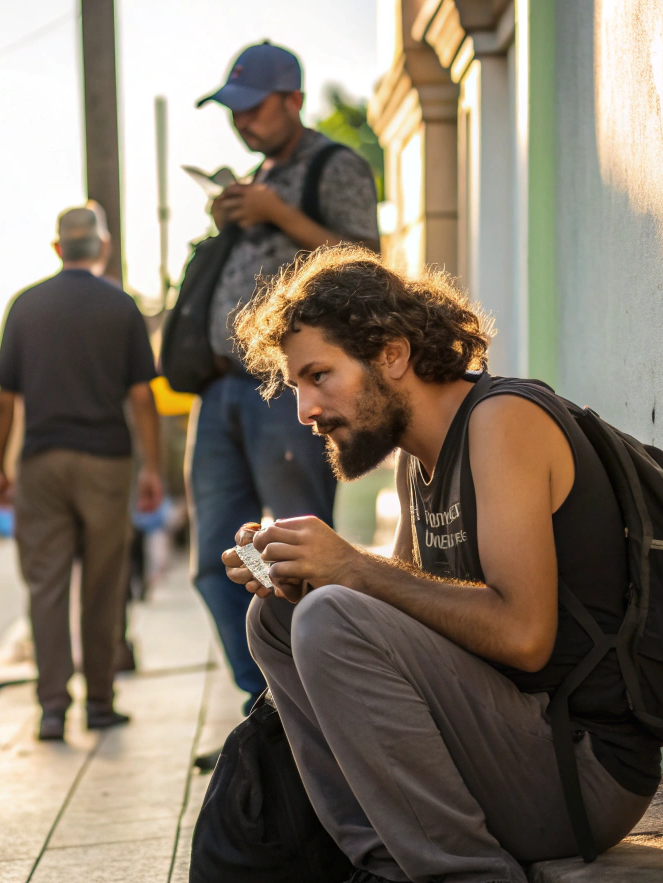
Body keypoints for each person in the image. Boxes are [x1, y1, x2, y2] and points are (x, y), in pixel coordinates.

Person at [223, 247, 658, 883]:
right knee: (279, 615)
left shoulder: (503, 421)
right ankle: (395, 869)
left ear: (391, 355)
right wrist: (306, 575)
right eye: (295, 386)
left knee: (333, 612)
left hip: (582, 774)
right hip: (509, 745)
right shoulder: (414, 456)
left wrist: (352, 570)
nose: (303, 410)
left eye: (317, 376)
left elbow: (522, 635)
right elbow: (407, 610)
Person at [191, 41, 381, 709]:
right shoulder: (252, 179)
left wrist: (278, 215)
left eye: (252, 107)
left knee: (300, 551)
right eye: (231, 110)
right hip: (218, 387)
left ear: (293, 100)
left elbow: (364, 262)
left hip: (284, 386)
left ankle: (312, 701)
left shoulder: (333, 164)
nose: (240, 122)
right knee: (217, 559)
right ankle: (265, 705)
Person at [0, 202, 164, 741]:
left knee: (46, 586)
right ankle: (101, 703)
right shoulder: (121, 306)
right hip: (106, 461)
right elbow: (141, 396)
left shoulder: (26, 305)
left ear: (58, 248)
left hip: (41, 461)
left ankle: (52, 708)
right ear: (103, 247)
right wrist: (152, 467)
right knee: (104, 584)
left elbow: (4, 399)